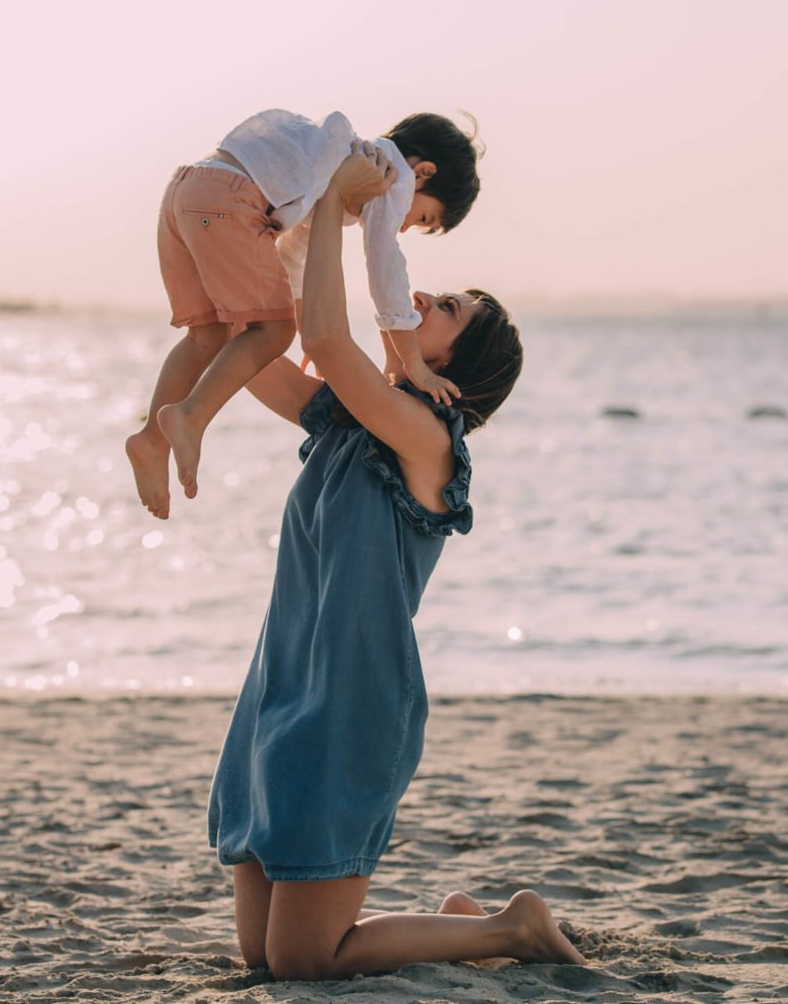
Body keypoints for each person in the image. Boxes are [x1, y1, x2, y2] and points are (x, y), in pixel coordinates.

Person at [207, 145, 585, 979]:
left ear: (454, 368)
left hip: (351, 703)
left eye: (446, 308)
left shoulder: (426, 443)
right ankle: (461, 926)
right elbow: (246, 347)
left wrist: (338, 204)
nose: (418, 298)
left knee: (304, 961)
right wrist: (226, 232)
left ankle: (511, 929)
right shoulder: (348, 420)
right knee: (263, 958)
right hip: (280, 684)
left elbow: (328, 338)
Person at [126, 110, 481, 520]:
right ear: (423, 172)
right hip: (229, 200)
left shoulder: (331, 162)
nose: (404, 227)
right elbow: (386, 268)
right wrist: (414, 363)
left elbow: (294, 252)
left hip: (188, 189)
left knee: (207, 335)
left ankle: (152, 439)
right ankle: (190, 416)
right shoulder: (387, 175)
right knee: (273, 333)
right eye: (421, 218)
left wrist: (300, 322)